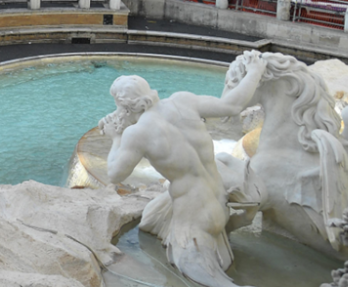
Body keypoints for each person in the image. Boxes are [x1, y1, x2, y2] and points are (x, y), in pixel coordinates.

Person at [101, 54, 267, 287]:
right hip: (219, 201)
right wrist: (254, 71)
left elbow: (114, 174)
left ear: (125, 106)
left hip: (195, 220)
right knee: (149, 220)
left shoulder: (136, 133)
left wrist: (115, 137)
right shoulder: (183, 100)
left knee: (194, 275)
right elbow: (233, 105)